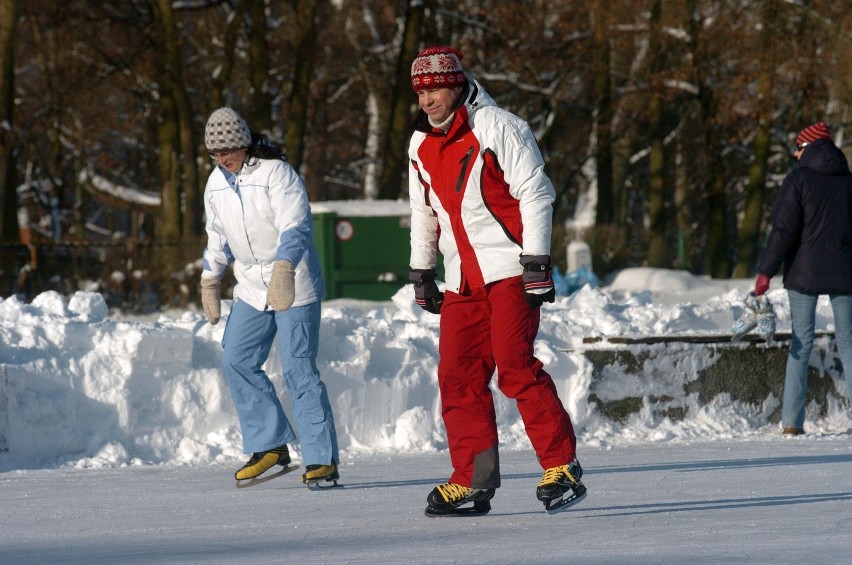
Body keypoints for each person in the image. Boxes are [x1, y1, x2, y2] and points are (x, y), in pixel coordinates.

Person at [406, 46, 586, 516]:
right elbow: (424, 213)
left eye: (437, 89)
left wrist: (537, 262)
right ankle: (472, 480)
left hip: (510, 271)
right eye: (421, 92)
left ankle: (561, 464)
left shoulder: (499, 127)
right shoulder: (419, 145)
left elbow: (536, 193)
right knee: (456, 375)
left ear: (459, 84)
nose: (428, 101)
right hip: (463, 279)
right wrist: (422, 270)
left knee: (514, 364)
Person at [199, 107, 339, 486]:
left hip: (293, 281)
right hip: (249, 285)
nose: (223, 159)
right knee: (236, 359)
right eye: (216, 153)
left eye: (228, 150)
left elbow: (296, 224)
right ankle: (271, 445)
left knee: (298, 370)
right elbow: (217, 237)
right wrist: (210, 279)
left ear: (245, 144)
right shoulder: (215, 184)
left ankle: (321, 459)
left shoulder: (275, 172)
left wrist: (284, 268)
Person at [756, 121, 852, 436]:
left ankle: (792, 423)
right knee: (849, 344)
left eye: (798, 148)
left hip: (803, 271)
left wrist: (766, 271)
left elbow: (784, 230)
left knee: (801, 343)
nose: (795, 155)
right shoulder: (848, 181)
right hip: (845, 273)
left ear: (807, 148)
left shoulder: (798, 180)